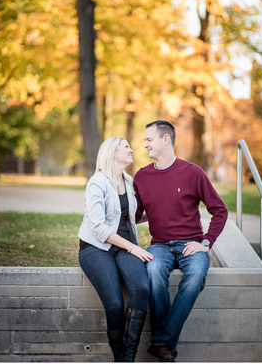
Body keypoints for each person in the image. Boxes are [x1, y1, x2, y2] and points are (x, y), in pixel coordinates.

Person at [134, 120, 227, 362]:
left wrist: (206, 243)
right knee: (153, 270)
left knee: (196, 275)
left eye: (149, 139)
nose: (144, 144)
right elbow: (134, 216)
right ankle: (164, 344)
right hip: (160, 245)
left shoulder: (193, 172)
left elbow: (220, 210)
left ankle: (162, 341)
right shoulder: (141, 176)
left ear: (166, 139)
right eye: (144, 140)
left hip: (191, 244)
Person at [77, 137, 153, 362]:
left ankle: (128, 356)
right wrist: (133, 248)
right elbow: (99, 228)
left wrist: (167, 211)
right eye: (126, 146)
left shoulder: (128, 181)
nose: (132, 150)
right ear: (112, 153)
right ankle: (120, 358)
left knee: (141, 288)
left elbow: (129, 217)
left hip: (124, 246)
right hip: (96, 248)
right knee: (115, 303)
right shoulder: (97, 182)